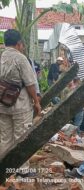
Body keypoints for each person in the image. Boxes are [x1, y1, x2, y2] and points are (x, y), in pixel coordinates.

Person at [0, 29, 41, 160]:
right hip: (20, 105)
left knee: (5, 138)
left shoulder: (1, 56)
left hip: (2, 104)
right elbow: (30, 84)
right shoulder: (21, 58)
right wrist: (36, 101)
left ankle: (4, 168)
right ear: (19, 43)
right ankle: (22, 170)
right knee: (21, 137)